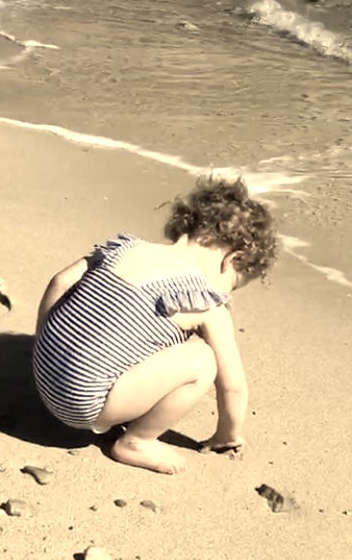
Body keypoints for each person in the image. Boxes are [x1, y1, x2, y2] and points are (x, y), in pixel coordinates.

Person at [33, 176, 277, 474]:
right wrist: (228, 435)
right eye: (233, 286)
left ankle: (65, 367)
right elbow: (233, 387)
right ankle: (136, 441)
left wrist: (43, 346)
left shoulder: (124, 248)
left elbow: (59, 282)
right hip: (82, 406)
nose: (226, 294)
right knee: (203, 360)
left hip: (43, 378)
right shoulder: (204, 301)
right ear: (231, 260)